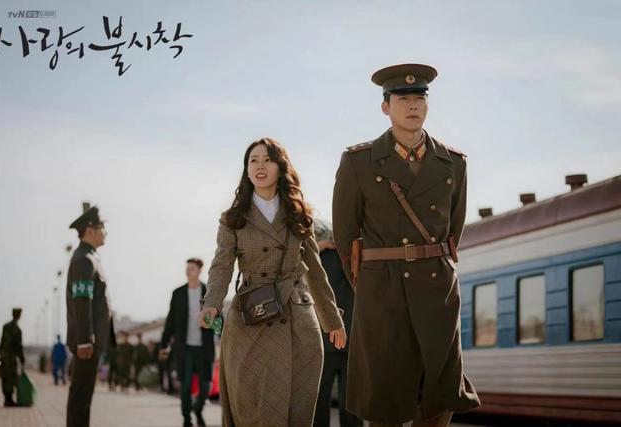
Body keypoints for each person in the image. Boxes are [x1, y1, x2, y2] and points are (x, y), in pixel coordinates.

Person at [332, 63, 481, 427]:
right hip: (382, 291)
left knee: (440, 391)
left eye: (419, 98)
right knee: (386, 395)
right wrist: (371, 282)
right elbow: (345, 236)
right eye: (403, 99)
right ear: (386, 107)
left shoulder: (453, 163)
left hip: (437, 290)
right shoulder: (358, 162)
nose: (413, 105)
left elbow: (453, 231)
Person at [200, 137, 347, 426]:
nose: (260, 166)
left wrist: (332, 320)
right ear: (246, 170)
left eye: (267, 159)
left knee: (296, 409)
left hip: (297, 321)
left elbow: (315, 271)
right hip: (251, 318)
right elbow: (222, 264)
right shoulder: (233, 218)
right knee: (250, 407)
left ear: (280, 167)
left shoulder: (299, 214)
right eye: (253, 160)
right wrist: (212, 303)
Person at [66, 204, 116, 427]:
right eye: (102, 227)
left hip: (92, 340)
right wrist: (85, 340)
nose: (105, 232)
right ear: (89, 230)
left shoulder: (90, 257)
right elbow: (82, 301)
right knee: (81, 396)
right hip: (87, 342)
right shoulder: (83, 259)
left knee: (84, 396)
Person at [312, 219, 361, 427]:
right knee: (352, 400)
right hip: (352, 338)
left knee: (320, 399)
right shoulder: (358, 260)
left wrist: (318, 249)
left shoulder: (320, 258)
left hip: (325, 337)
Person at [160, 258, 215, 427]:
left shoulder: (208, 292)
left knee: (205, 386)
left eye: (192, 268)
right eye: (187, 268)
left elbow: (217, 319)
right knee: (185, 385)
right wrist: (164, 344)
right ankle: (186, 419)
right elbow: (170, 320)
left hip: (204, 347)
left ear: (199, 271)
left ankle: (197, 408)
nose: (188, 271)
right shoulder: (178, 293)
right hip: (185, 347)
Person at [0, 308, 25, 407]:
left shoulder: (6, 326)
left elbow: (1, 342)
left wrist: (1, 354)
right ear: (19, 315)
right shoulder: (17, 329)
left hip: (4, 356)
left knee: (5, 377)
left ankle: (7, 399)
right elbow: (19, 346)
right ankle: (9, 400)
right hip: (11, 357)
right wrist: (22, 358)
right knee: (11, 378)